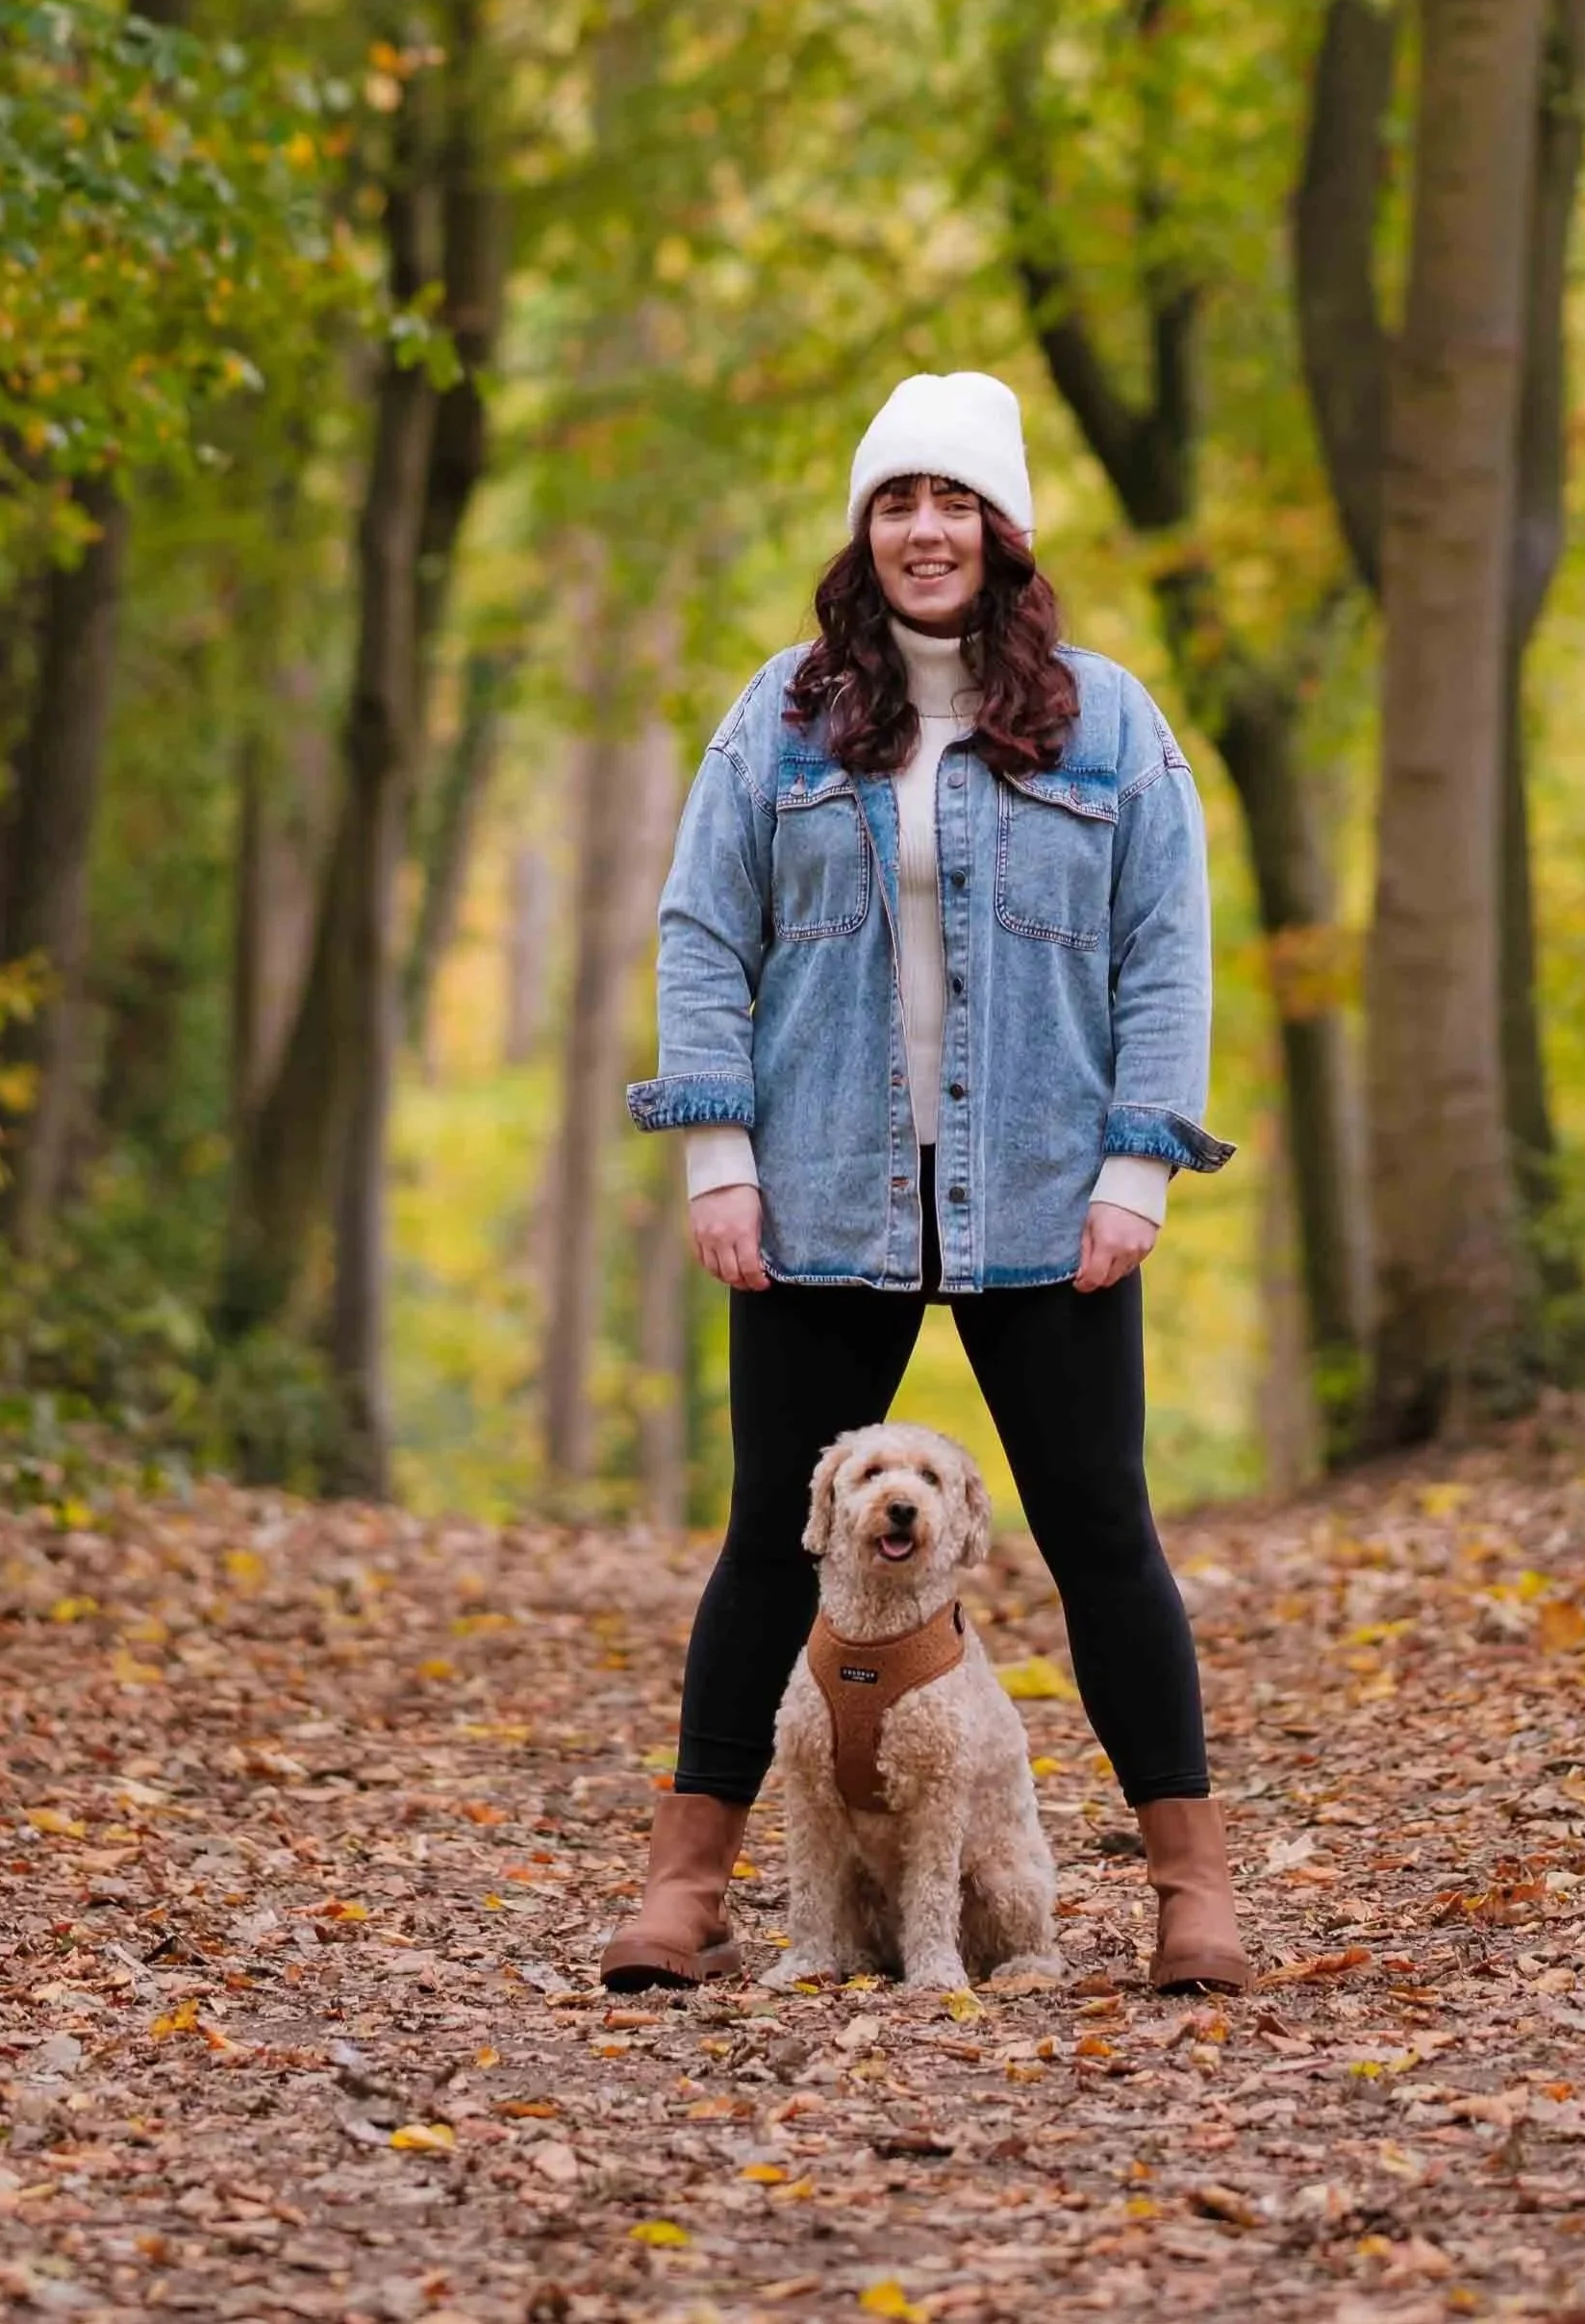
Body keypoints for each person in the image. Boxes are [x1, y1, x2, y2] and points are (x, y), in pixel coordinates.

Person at [602, 370, 1248, 1994]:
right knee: (767, 1537)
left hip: (1047, 1190)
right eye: (896, 501)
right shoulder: (787, 713)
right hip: (824, 1187)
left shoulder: (1110, 721)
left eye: (952, 500)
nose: (924, 529)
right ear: (864, 533)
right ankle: (689, 1886)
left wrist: (1139, 1168)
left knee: (1103, 1529)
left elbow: (1168, 953)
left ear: (1004, 531)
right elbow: (701, 930)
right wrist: (717, 1158)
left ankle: (1191, 1895)